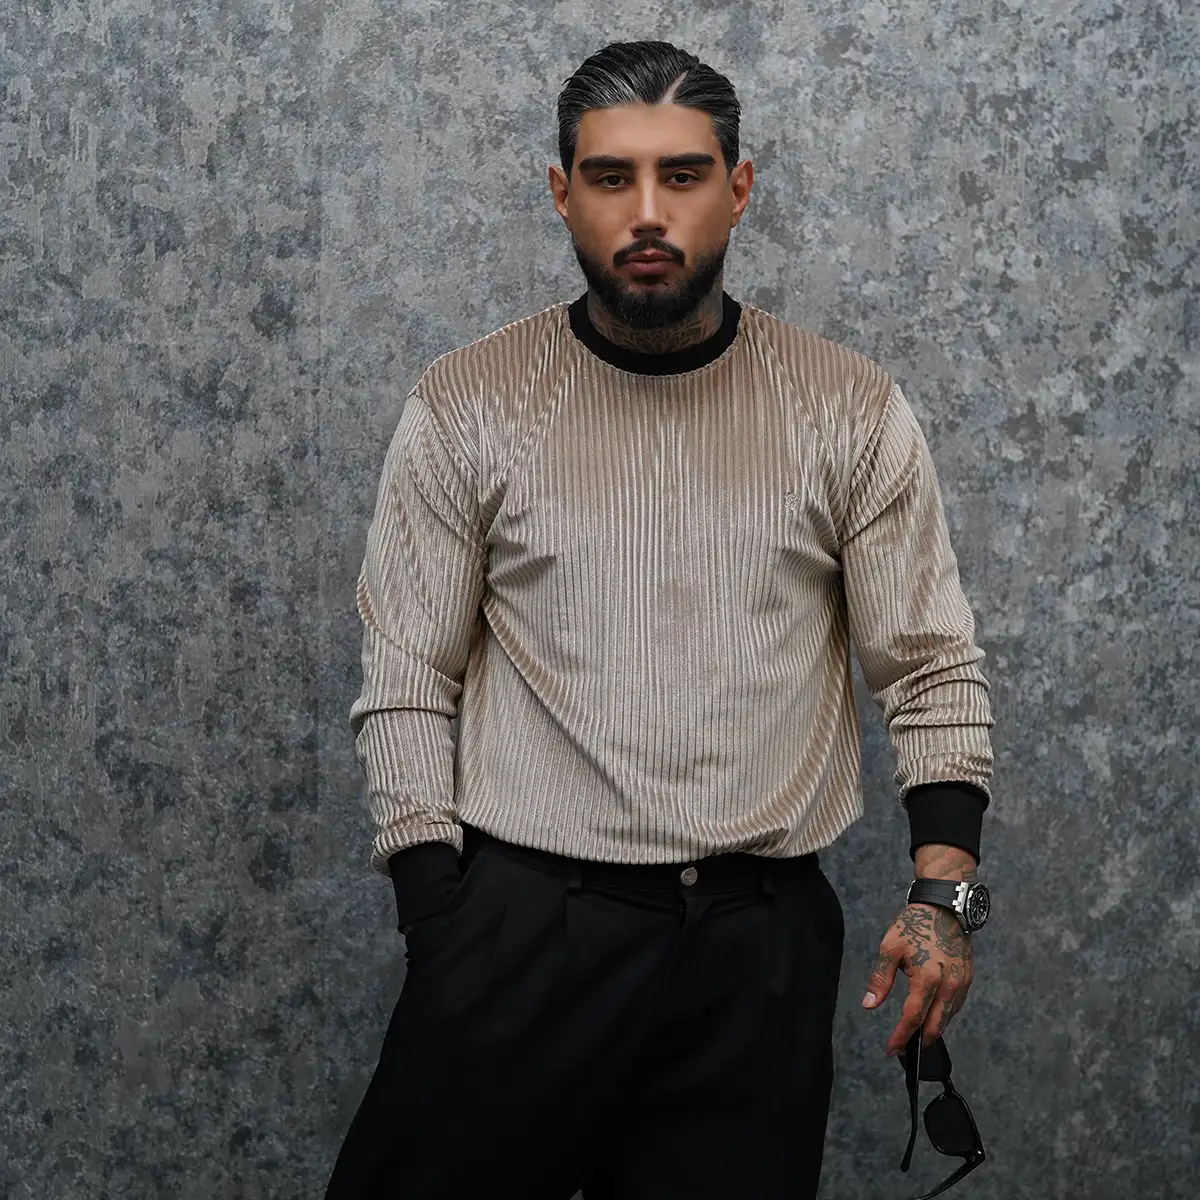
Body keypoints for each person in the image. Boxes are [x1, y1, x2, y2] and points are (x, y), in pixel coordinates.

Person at [324, 38, 994, 1200]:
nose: (647, 211)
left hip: (757, 954)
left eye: (682, 175)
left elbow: (929, 667)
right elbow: (407, 681)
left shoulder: (847, 409)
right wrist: (443, 928)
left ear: (739, 188)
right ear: (560, 192)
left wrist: (947, 899)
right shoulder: (469, 404)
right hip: (523, 932)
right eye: (610, 176)